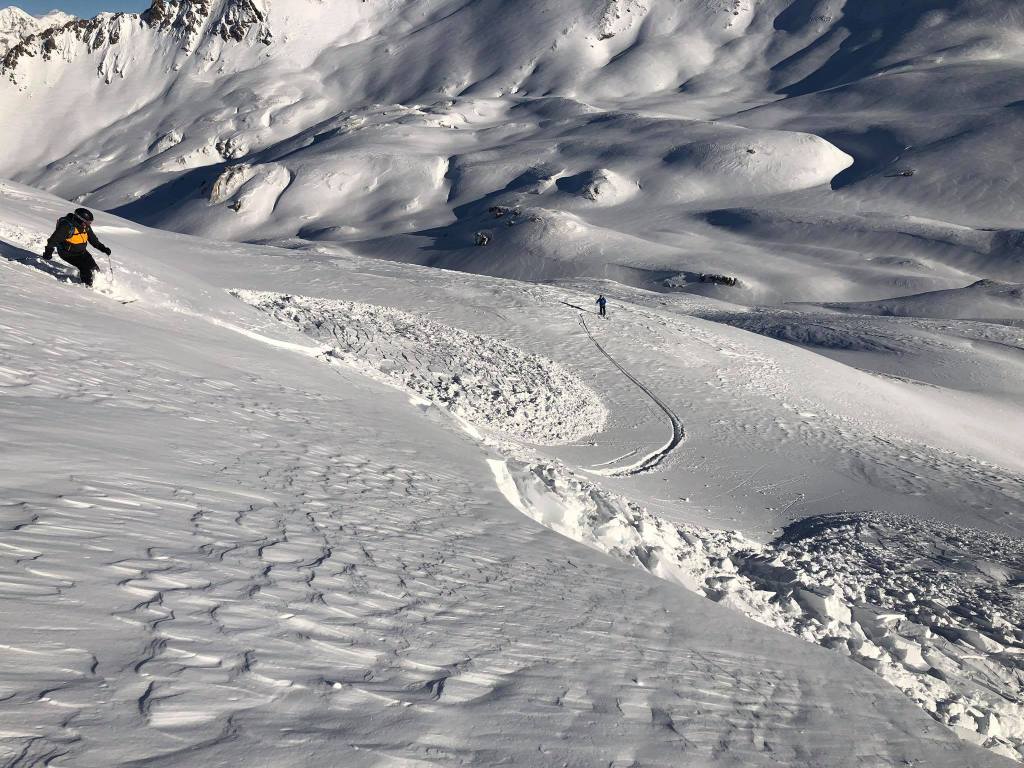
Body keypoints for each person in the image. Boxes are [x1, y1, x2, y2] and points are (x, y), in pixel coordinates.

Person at [42, 208, 111, 287]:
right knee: (85, 269)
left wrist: (103, 249)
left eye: (90, 222)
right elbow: (53, 240)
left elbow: (93, 240)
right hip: (68, 253)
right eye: (87, 222)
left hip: (82, 252)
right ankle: (88, 287)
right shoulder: (66, 226)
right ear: (80, 219)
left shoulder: (85, 226)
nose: (89, 224)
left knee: (95, 269)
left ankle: (100, 284)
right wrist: (48, 252)